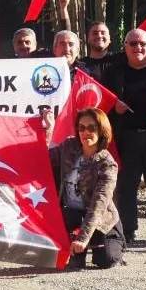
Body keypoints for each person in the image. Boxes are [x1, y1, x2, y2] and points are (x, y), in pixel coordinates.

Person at [102, 28, 146, 243]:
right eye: (133, 44)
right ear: (125, 47)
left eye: (143, 44)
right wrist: (114, 106)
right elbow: (102, 101)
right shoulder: (114, 72)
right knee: (126, 185)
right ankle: (128, 230)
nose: (138, 48)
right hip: (126, 136)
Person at [42, 106, 125, 269]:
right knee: (73, 263)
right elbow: (43, 157)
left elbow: (98, 205)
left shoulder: (108, 165)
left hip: (99, 219)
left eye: (91, 128)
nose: (85, 132)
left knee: (107, 260)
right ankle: (76, 247)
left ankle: (114, 242)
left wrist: (83, 238)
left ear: (102, 130)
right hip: (71, 215)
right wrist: (49, 129)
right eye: (81, 128)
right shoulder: (69, 146)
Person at [81, 16, 146, 81]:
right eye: (95, 33)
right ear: (88, 39)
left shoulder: (120, 58)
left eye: (103, 33)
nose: (99, 36)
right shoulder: (80, 66)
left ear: (110, 39)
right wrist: (65, 9)